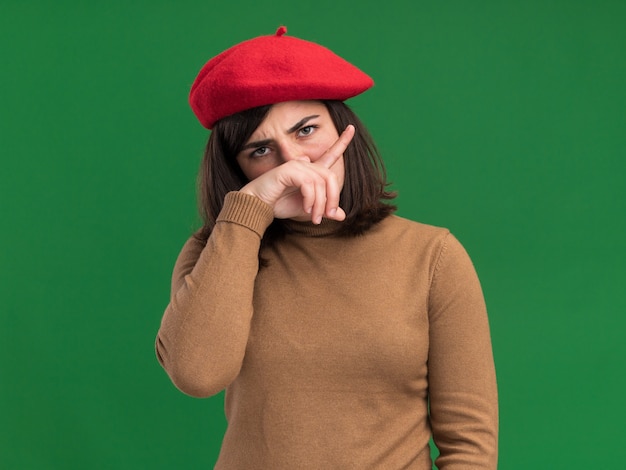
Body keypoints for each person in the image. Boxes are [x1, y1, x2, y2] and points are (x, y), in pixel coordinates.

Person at [156, 26, 498, 469]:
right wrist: (250, 212)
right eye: (260, 150)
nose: (292, 162)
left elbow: (469, 444)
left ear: (345, 131)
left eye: (306, 130)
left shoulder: (432, 256)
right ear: (238, 170)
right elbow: (196, 374)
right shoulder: (218, 250)